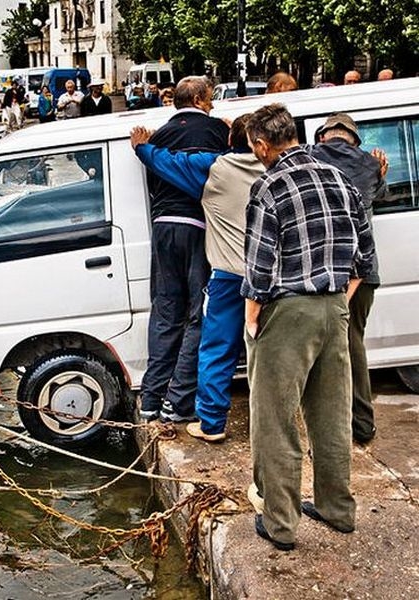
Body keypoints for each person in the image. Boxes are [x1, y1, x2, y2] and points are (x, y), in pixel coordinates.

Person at [242, 103, 375, 551]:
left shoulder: (269, 187)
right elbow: (365, 258)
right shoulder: (341, 180)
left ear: (262, 145)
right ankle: (338, 510)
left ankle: (280, 523)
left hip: (288, 311)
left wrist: (252, 321)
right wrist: (338, 300)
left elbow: (258, 272)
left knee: (275, 421)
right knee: (331, 414)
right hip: (334, 305)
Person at [131, 114, 264, 441]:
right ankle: (272, 423)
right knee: (270, 352)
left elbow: (168, 162)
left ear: (231, 142)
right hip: (269, 275)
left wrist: (142, 148)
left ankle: (210, 423)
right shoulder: (276, 169)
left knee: (216, 347)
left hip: (229, 275)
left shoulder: (215, 168)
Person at [137, 75, 230, 424]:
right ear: (202, 98)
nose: (213, 103)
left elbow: (152, 187)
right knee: (198, 315)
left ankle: (151, 398)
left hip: (163, 229)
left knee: (164, 313)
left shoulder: (156, 138)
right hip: (199, 230)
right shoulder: (219, 133)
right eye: (211, 97)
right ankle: (179, 401)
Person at [312, 113, 388, 444]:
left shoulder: (310, 157)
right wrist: (380, 173)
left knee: (315, 349)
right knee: (353, 346)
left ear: (323, 136)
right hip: (363, 272)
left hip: (320, 272)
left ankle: (326, 426)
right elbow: (379, 196)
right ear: (354, 140)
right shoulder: (369, 165)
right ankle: (362, 424)